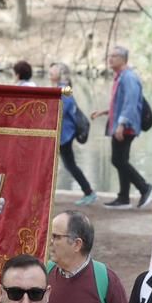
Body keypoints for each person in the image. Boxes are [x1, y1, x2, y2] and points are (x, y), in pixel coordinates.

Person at [90, 46, 152, 209]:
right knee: (121, 160)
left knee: (117, 160)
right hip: (121, 125)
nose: (110, 58)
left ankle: (145, 187)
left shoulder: (129, 77)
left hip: (126, 127)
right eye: (109, 56)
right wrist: (105, 112)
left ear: (123, 59)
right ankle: (123, 197)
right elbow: (121, 103)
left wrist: (121, 125)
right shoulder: (120, 77)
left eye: (114, 56)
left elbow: (131, 104)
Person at [45, 211, 128, 303]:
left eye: (56, 237)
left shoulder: (106, 280)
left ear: (77, 244)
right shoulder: (44, 272)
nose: (50, 242)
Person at [49, 62, 97, 206]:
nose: (50, 72)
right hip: (62, 134)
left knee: (69, 165)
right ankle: (88, 192)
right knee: (67, 164)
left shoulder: (64, 90)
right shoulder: (61, 88)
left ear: (60, 73)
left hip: (64, 135)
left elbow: (59, 111)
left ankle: (89, 192)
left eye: (53, 70)